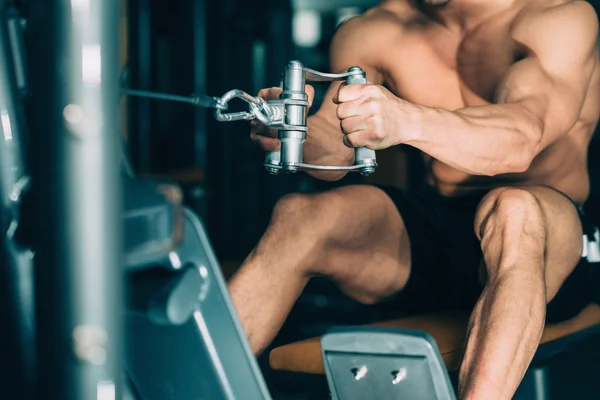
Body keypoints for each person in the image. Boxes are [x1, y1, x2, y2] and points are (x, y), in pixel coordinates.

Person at [229, 0, 600, 398]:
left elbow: (522, 140)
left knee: (514, 209)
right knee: (299, 217)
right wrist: (294, 135)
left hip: (548, 245)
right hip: (441, 241)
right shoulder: (376, 29)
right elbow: (337, 154)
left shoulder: (555, 17)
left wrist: (407, 120)